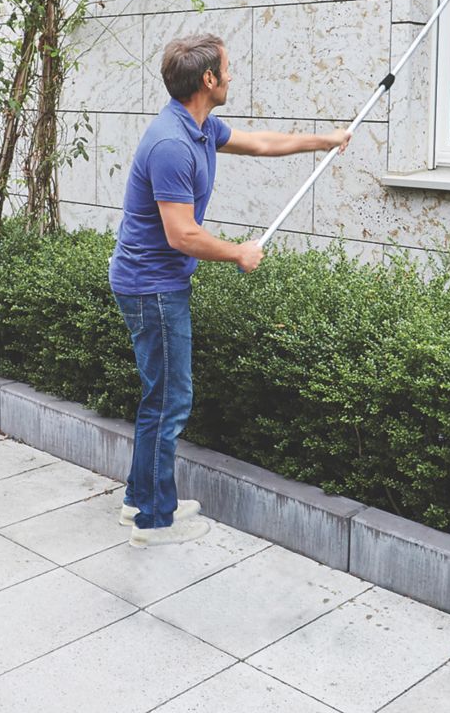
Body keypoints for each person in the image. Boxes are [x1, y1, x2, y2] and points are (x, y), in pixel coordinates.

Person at [108, 32, 351, 548]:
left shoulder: (198, 127)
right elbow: (182, 235)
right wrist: (239, 252)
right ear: (208, 80)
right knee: (170, 400)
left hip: (153, 281)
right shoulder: (173, 144)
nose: (233, 75)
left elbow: (262, 143)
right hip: (151, 286)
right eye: (227, 68)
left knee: (159, 396)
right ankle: (156, 520)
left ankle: (141, 497)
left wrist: (323, 140)